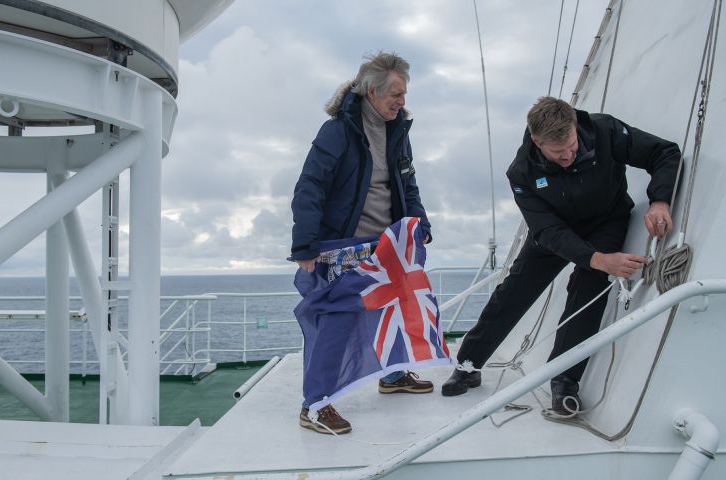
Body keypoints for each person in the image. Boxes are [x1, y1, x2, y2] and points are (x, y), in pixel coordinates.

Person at [442, 97, 681, 416]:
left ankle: (564, 383)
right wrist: (598, 258)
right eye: (557, 153)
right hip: (555, 228)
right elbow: (548, 231)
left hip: (606, 219)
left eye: (571, 144)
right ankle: (468, 364)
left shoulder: (605, 131)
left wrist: (660, 201)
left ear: (574, 127)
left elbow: (664, 152)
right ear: (538, 143)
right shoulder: (521, 172)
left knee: (587, 291)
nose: (568, 155)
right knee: (513, 292)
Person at [290, 51, 434, 434]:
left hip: (388, 242)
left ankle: (393, 375)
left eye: (405, 95)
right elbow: (310, 186)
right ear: (372, 91)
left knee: (397, 308)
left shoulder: (398, 130)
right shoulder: (338, 131)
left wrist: (420, 223)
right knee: (339, 316)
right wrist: (304, 243)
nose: (403, 102)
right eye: (397, 95)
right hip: (346, 244)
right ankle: (316, 405)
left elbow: (407, 183)